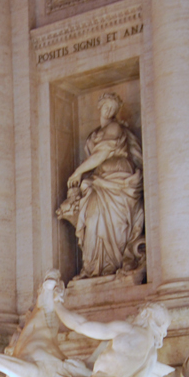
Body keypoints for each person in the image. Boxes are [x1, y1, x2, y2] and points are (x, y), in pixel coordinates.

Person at [58, 92, 145, 279]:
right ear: (100, 107)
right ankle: (92, 268)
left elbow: (101, 155)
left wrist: (78, 172)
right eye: (106, 106)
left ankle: (111, 267)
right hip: (100, 181)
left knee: (115, 223)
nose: (109, 111)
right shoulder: (95, 134)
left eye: (113, 108)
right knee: (92, 218)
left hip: (118, 180)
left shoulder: (115, 128)